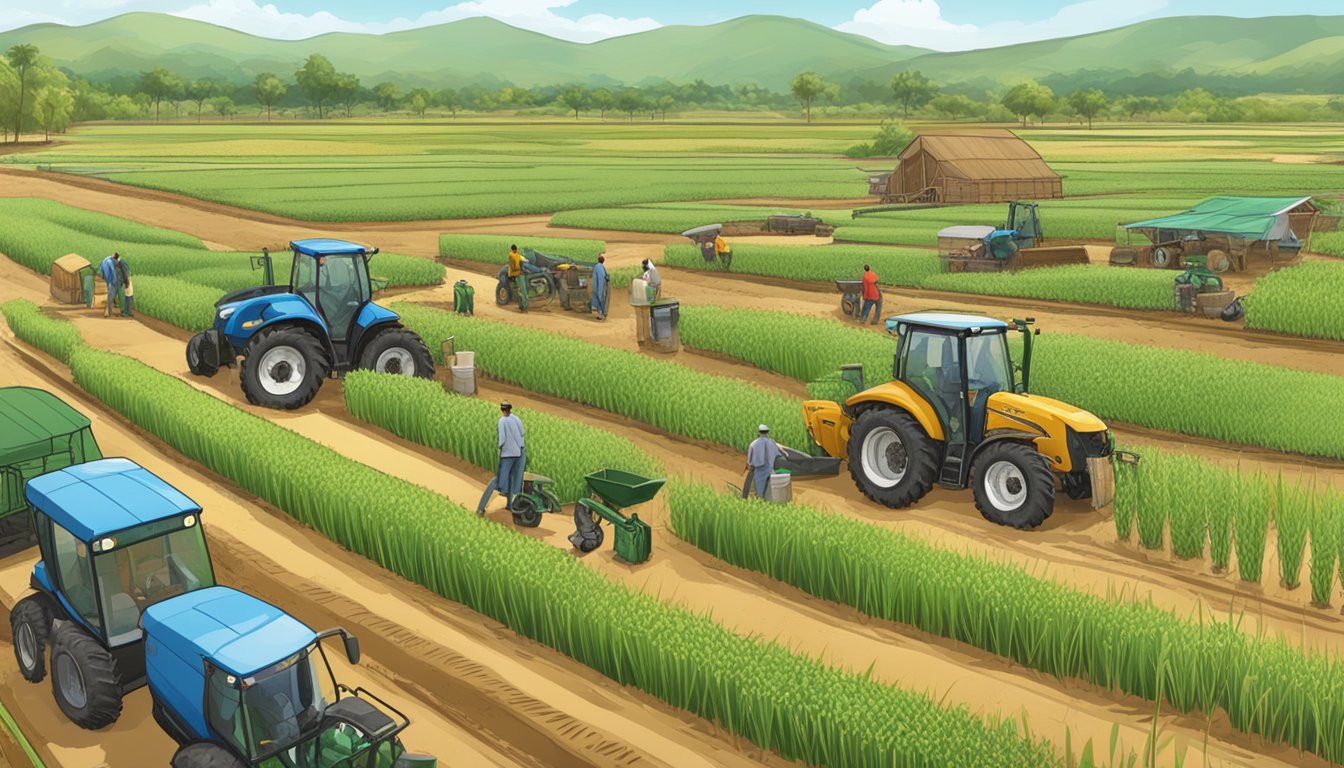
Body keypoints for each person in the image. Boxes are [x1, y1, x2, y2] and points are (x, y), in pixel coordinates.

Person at [496, 401, 526, 505]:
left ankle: (503, 490)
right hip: (519, 451)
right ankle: (515, 493)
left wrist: (500, 446)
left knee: (504, 471)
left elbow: (502, 437)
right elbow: (522, 432)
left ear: (502, 410)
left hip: (508, 452)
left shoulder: (502, 421)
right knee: (517, 475)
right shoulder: (516, 418)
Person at [745, 425, 783, 500]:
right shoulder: (772, 442)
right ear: (767, 432)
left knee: (759, 491)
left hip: (759, 470)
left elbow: (749, 461)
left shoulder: (753, 444)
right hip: (770, 469)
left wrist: (749, 466)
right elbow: (778, 454)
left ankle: (760, 501)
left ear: (759, 432)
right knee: (774, 489)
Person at [98, 252, 123, 318]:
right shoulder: (111, 262)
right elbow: (113, 271)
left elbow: (100, 270)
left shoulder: (105, 259)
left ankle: (110, 308)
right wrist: (115, 280)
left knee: (111, 295)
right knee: (111, 296)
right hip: (112, 281)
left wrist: (102, 276)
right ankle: (107, 312)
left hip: (107, 280)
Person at [508, 244, 528, 313]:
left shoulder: (511, 256)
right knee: (523, 292)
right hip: (520, 275)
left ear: (511, 249)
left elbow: (511, 267)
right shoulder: (519, 256)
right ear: (516, 249)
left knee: (517, 292)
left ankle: (522, 307)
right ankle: (525, 308)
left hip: (514, 276)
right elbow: (525, 262)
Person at [590, 254, 609, 320]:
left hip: (598, 287)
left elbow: (601, 278)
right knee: (600, 300)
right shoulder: (602, 267)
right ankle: (601, 314)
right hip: (599, 287)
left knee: (600, 300)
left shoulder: (597, 267)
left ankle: (601, 314)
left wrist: (599, 290)